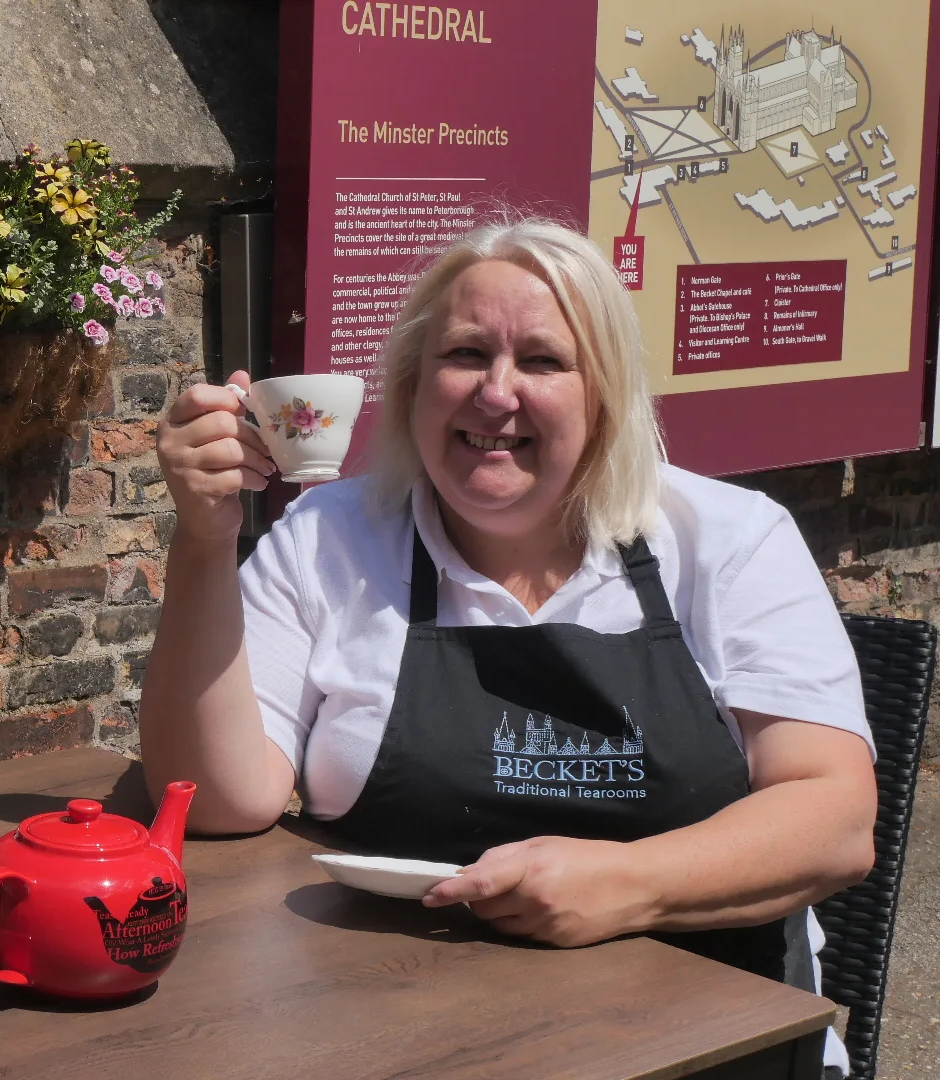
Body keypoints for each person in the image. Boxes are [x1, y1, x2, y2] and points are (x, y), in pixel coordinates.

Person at [141, 217, 876, 1073]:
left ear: (604, 393)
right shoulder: (329, 539)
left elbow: (834, 819)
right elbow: (219, 800)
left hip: (710, 1047)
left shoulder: (728, 538)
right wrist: (201, 540)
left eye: (541, 360)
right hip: (395, 1034)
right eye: (463, 355)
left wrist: (629, 886)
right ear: (415, 385)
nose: (496, 394)